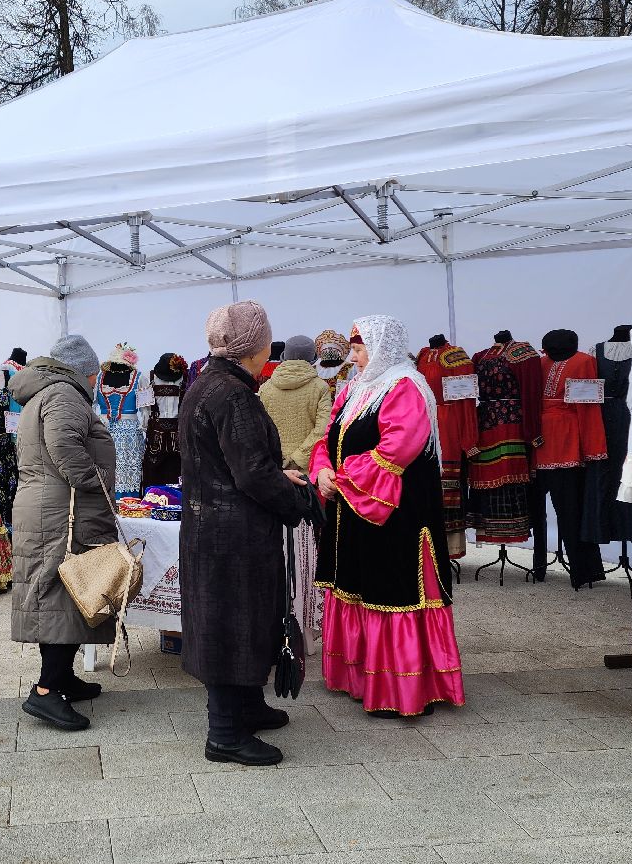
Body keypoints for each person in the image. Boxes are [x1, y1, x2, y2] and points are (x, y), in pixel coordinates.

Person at [179, 301, 316, 766]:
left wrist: (278, 476)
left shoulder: (207, 383)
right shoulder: (234, 394)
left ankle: (248, 706)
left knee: (243, 619)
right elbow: (252, 473)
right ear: (254, 346)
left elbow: (235, 463)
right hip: (233, 535)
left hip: (215, 528)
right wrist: (295, 502)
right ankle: (224, 734)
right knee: (231, 624)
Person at [310, 315, 466, 718]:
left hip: (396, 513)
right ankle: (361, 677)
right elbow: (329, 436)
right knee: (358, 583)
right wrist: (322, 470)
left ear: (381, 347)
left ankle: (401, 689)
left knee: (390, 588)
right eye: (354, 350)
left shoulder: (405, 386)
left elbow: (398, 447)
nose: (354, 358)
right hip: (355, 507)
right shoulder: (355, 389)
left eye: (359, 350)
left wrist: (344, 477)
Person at [10, 335, 117, 731]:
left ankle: (63, 679)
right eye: (95, 374)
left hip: (50, 509)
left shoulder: (46, 393)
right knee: (63, 596)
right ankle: (46, 690)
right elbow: (64, 446)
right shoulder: (65, 394)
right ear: (85, 371)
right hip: (60, 513)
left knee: (62, 598)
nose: (97, 381)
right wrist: (98, 480)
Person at [259, 335, 332, 651]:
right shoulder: (319, 388)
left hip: (273, 477)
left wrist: (278, 462)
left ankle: (275, 624)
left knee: (274, 549)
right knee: (307, 552)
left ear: (284, 356)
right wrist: (298, 459)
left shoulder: (266, 389)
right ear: (313, 358)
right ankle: (306, 628)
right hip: (305, 478)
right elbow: (323, 430)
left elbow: (258, 431)